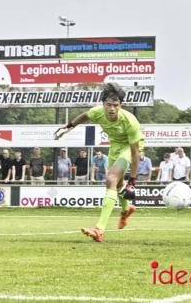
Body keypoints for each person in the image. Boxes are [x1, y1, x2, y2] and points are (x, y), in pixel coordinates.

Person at [55, 83, 144, 242]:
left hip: (129, 149)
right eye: (108, 104)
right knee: (116, 184)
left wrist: (132, 182)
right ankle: (126, 209)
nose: (111, 108)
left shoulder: (130, 121)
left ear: (120, 106)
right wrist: (68, 127)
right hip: (115, 147)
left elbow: (135, 153)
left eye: (115, 105)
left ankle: (99, 229)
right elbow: (84, 116)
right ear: (103, 104)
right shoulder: (97, 112)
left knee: (110, 179)